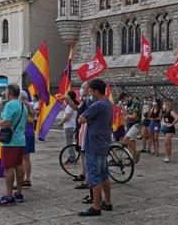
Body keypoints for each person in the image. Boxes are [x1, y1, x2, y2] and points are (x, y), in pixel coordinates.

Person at [76, 79, 113, 217]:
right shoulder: (108, 103)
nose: (89, 93)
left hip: (94, 145)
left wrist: (88, 119)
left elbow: (80, 119)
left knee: (94, 176)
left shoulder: (97, 105)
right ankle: (107, 202)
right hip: (103, 144)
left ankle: (96, 206)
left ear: (96, 91)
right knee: (104, 175)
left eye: (90, 91)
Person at [0, 84, 28, 207]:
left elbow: (6, 123)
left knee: (8, 168)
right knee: (19, 166)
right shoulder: (23, 105)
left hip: (10, 142)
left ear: (9, 93)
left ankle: (9, 196)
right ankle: (18, 193)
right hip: (21, 140)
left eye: (6, 91)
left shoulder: (10, 105)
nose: (5, 93)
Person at [120, 92, 142, 164]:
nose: (124, 102)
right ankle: (132, 158)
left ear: (125, 97)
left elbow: (134, 116)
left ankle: (136, 153)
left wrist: (127, 115)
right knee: (132, 141)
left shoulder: (136, 102)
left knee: (126, 139)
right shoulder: (128, 104)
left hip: (136, 124)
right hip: (130, 124)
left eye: (123, 100)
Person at [20, 91, 36, 188]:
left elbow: (27, 119)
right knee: (27, 158)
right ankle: (27, 178)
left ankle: (23, 179)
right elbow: (33, 118)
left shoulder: (23, 105)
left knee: (22, 158)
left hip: (24, 133)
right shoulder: (30, 105)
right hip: (30, 133)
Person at [58, 91, 78, 164]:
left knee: (69, 143)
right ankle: (71, 157)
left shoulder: (70, 106)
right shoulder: (71, 105)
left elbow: (67, 116)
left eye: (66, 96)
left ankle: (72, 158)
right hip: (70, 126)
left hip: (69, 126)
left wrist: (61, 123)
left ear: (69, 97)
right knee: (69, 142)